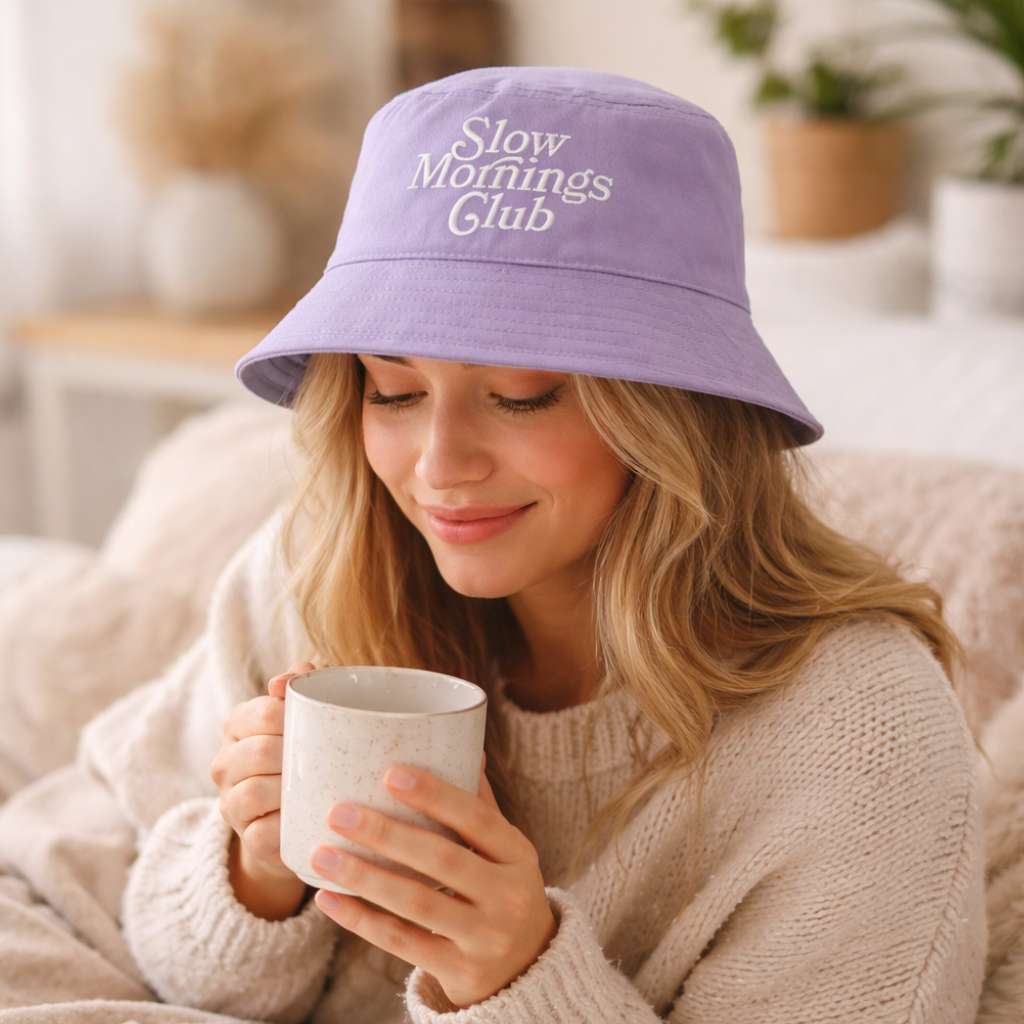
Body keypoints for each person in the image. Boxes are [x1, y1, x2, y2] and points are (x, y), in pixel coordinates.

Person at [0, 65, 988, 1023]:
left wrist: (514, 974)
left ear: (672, 419)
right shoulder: (323, 567)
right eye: (393, 388)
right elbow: (146, 930)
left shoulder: (856, 734)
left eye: (520, 395)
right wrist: (253, 871)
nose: (437, 466)